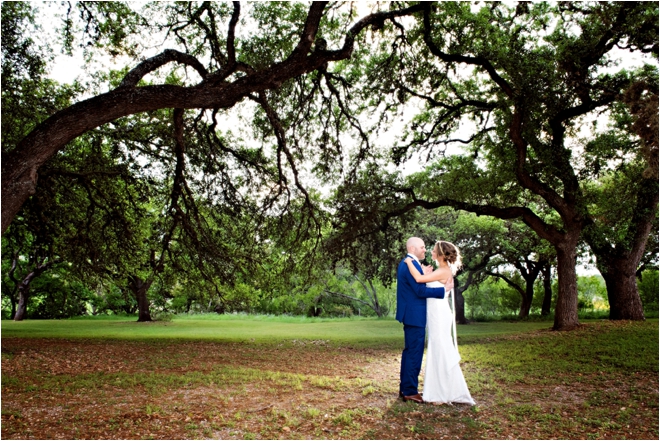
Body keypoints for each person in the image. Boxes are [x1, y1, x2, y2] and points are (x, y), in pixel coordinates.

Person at [404, 240, 475, 405]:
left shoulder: (443, 271)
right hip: (435, 313)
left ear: (441, 254)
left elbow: (420, 279)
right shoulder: (440, 270)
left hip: (439, 315)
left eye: (434, 250)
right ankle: (438, 390)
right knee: (437, 347)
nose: (431, 252)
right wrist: (423, 270)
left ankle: (441, 392)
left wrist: (409, 261)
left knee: (440, 347)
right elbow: (427, 280)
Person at [396, 237, 452, 404]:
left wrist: (425, 274)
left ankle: (405, 388)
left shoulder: (409, 263)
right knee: (414, 353)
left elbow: (419, 283)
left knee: (409, 352)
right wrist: (443, 292)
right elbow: (420, 291)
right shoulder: (408, 264)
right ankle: (410, 391)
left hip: (412, 315)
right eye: (422, 247)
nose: (424, 250)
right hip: (414, 316)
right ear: (412, 248)